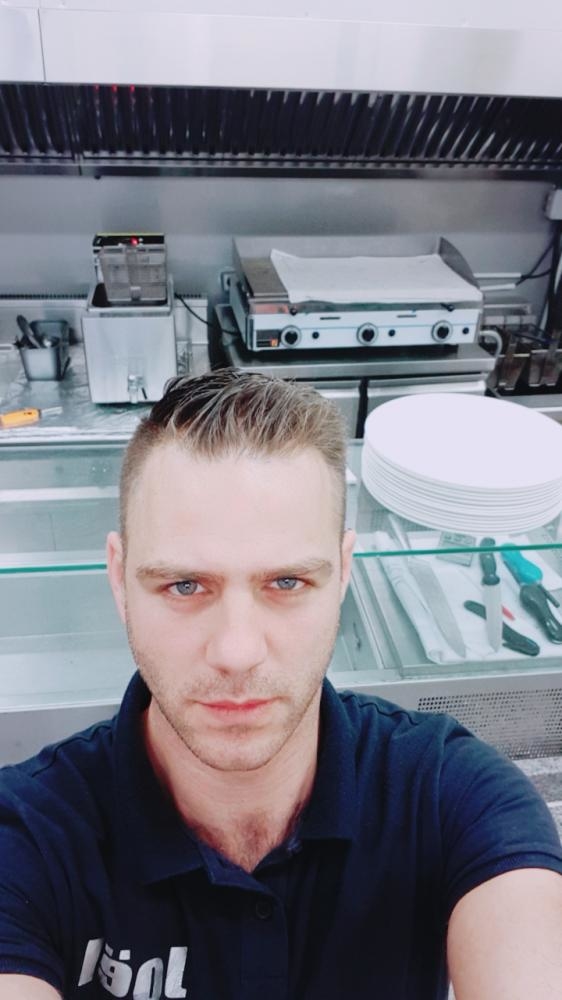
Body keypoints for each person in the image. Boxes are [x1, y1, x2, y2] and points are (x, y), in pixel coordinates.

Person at [1, 370, 562, 1000]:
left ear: (343, 573)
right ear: (118, 577)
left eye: (287, 583)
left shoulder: (450, 797)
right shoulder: (25, 840)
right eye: (184, 586)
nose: (237, 651)